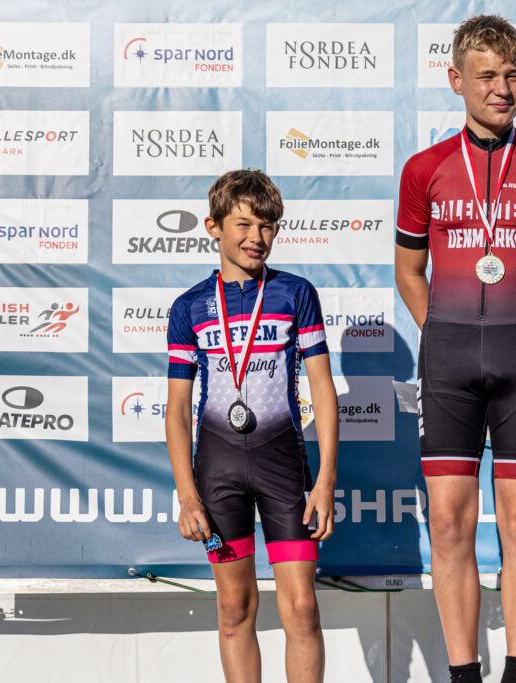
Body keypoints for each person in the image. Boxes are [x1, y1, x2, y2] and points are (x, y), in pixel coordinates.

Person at [394, 14, 516, 683]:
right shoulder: (423, 170)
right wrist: (445, 332)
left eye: (512, 75)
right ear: (456, 80)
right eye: (486, 76)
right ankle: (463, 674)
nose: (501, 89)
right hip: (447, 363)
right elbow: (408, 271)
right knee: (449, 524)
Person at [165, 169, 339, 683]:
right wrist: (187, 496)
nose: (256, 238)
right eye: (243, 225)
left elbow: (322, 388)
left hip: (282, 465)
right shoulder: (189, 307)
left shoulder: (295, 293)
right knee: (233, 608)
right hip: (217, 471)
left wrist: (325, 481)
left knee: (302, 608)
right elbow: (177, 409)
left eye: (267, 226)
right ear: (213, 227)